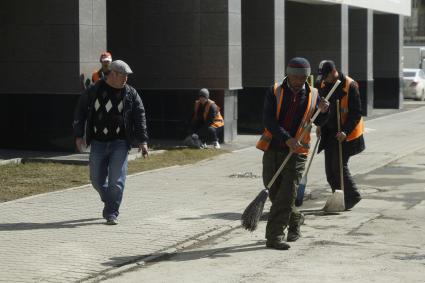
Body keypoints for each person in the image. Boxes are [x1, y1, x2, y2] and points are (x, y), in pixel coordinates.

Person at [256, 57, 330, 250]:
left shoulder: (314, 94)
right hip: (274, 147)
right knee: (273, 191)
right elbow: (268, 120)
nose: (299, 81)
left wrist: (324, 111)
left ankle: (274, 237)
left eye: (304, 77)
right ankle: (296, 217)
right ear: (288, 74)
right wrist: (286, 138)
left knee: (287, 195)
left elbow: (320, 122)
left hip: (298, 152)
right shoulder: (274, 91)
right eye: (296, 77)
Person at [73, 60, 149, 225]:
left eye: (127, 76)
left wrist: (142, 141)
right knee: (96, 179)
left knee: (116, 179)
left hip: (120, 143)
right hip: (98, 142)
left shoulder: (130, 93)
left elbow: (140, 116)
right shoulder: (94, 90)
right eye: (124, 76)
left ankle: (111, 212)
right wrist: (79, 135)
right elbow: (80, 111)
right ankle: (109, 199)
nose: (126, 80)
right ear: (113, 74)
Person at [316, 60, 365, 210]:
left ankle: (352, 196)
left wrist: (345, 131)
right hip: (330, 134)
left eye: (326, 76)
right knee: (330, 171)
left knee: (339, 167)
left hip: (346, 135)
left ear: (333, 72)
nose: (323, 79)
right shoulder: (324, 85)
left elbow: (356, 113)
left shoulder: (350, 85)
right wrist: (319, 124)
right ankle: (338, 198)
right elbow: (321, 109)